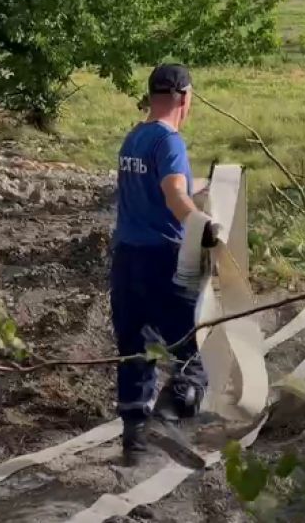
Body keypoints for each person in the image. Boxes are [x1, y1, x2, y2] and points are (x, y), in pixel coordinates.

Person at [111, 63, 216, 461]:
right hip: (162, 261)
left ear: (152, 96)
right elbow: (174, 196)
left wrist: (204, 183)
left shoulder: (134, 138)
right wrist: (201, 224)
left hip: (126, 262)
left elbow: (168, 186)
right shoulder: (169, 141)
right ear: (186, 98)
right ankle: (167, 417)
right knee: (195, 348)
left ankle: (135, 441)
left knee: (136, 348)